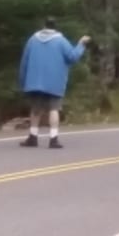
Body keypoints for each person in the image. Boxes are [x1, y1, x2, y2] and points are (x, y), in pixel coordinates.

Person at [18, 18, 90, 149]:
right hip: (54, 82)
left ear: (43, 26)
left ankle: (33, 137)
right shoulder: (61, 41)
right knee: (54, 109)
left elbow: (24, 61)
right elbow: (72, 57)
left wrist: (23, 81)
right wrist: (81, 44)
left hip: (35, 81)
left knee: (35, 109)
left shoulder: (32, 40)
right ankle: (53, 139)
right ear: (56, 27)